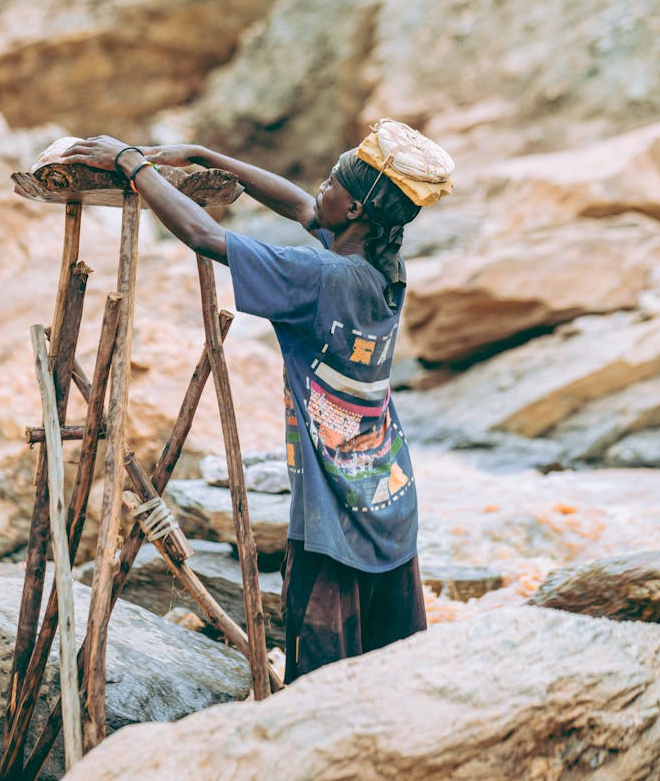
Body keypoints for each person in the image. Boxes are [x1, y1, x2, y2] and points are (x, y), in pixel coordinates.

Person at [59, 118, 454, 682]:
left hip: (336, 511)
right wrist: (201, 154)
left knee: (324, 677)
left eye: (333, 182)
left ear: (356, 213)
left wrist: (132, 164)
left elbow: (203, 236)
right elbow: (302, 208)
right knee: (393, 668)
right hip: (388, 495)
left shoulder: (320, 275)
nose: (321, 186)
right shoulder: (381, 264)